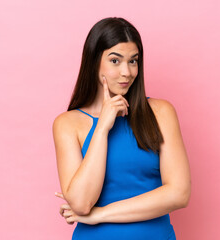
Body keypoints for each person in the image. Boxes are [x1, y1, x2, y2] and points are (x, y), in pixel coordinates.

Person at [52, 17, 191, 240]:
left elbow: (178, 194)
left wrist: (101, 214)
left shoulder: (160, 112)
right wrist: (102, 127)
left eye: (133, 61)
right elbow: (81, 203)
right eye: (115, 61)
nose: (127, 72)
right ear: (94, 61)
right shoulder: (67, 123)